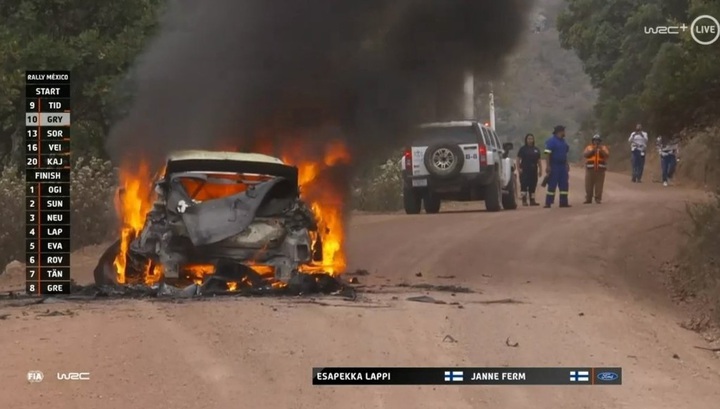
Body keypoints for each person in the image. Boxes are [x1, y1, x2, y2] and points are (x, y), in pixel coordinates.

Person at [543, 125, 571, 208]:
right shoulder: (551, 141)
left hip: (562, 166)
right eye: (563, 131)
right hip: (554, 165)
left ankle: (563, 202)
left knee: (564, 184)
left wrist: (566, 164)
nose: (564, 133)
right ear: (559, 131)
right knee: (552, 184)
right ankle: (548, 202)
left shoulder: (563, 142)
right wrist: (548, 166)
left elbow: (565, 154)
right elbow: (547, 154)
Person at [516, 133, 542, 206]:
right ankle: (524, 201)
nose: (530, 140)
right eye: (528, 139)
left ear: (533, 140)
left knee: (533, 186)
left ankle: (532, 200)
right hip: (524, 170)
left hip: (533, 170)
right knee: (524, 185)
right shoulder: (523, 149)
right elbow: (518, 159)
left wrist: (540, 170)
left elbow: (539, 160)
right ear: (526, 140)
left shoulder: (536, 150)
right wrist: (518, 169)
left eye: (531, 139)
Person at [583, 134, 610, 204]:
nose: (596, 142)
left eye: (598, 140)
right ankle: (588, 199)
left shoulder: (603, 148)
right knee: (588, 185)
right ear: (593, 141)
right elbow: (585, 155)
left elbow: (606, 155)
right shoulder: (589, 147)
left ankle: (598, 199)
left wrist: (600, 150)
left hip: (600, 170)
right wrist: (593, 151)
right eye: (595, 140)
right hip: (590, 169)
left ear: (600, 141)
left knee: (599, 186)